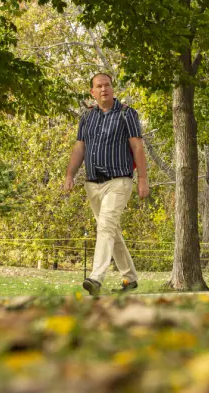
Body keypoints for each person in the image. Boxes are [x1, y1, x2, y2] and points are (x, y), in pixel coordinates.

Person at [63, 73, 149, 296]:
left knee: (105, 226)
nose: (104, 89)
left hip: (119, 181)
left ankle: (96, 278)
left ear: (113, 88)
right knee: (111, 230)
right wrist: (69, 175)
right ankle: (129, 278)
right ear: (92, 92)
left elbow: (138, 147)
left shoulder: (126, 114)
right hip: (93, 184)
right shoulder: (87, 117)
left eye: (107, 85)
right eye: (99, 86)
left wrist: (142, 179)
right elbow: (79, 148)